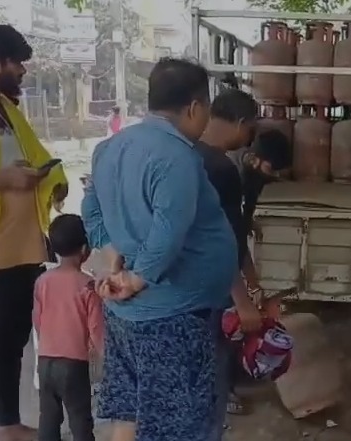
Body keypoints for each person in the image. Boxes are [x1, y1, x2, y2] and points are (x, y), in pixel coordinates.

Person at [80, 57, 237, 441]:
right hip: (173, 314)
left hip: (127, 315)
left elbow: (91, 208)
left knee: (130, 411)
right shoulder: (177, 155)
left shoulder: (110, 147)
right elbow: (169, 230)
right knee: (177, 423)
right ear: (195, 107)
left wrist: (110, 251)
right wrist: (137, 278)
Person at [0, 22, 68, 441]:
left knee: (12, 344)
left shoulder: (7, 111)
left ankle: (7, 425)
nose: (23, 71)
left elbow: (37, 157)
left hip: (24, 250)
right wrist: (4, 180)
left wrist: (52, 182)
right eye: (17, 63)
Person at [196, 89, 262, 418]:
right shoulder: (220, 168)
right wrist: (243, 299)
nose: (250, 138)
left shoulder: (185, 155)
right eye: (251, 128)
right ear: (240, 122)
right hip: (212, 288)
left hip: (181, 288)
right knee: (215, 366)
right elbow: (224, 243)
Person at [33, 214, 103, 441]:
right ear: (85, 249)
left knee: (48, 418)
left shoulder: (42, 281)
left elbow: (38, 320)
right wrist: (108, 360)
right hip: (73, 365)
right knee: (80, 419)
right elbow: (96, 329)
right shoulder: (88, 286)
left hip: (45, 362)